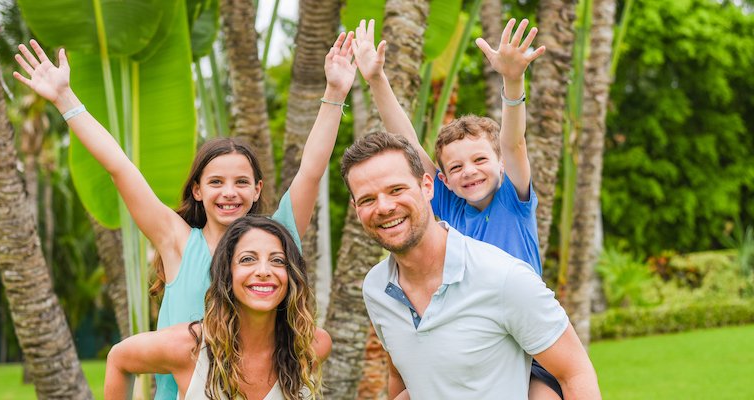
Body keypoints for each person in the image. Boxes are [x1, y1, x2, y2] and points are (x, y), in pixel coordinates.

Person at [13, 32, 356, 399]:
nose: (229, 192)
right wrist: (65, 98)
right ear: (197, 190)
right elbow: (120, 168)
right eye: (216, 182)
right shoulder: (177, 241)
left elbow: (311, 171)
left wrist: (335, 93)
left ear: (257, 190)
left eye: (241, 182)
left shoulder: (276, 239)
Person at [352, 18, 562, 398]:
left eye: (480, 159)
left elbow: (514, 142)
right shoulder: (445, 202)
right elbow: (405, 141)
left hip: (527, 346)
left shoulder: (511, 198)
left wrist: (513, 82)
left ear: (499, 164)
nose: (469, 172)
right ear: (441, 179)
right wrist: (376, 79)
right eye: (456, 167)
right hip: (466, 337)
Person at [340, 132, 601, 399]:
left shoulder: (503, 277)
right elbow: (402, 375)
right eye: (368, 199)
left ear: (427, 186)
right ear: (355, 207)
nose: (384, 207)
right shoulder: (376, 288)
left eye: (396, 190)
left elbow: (574, 373)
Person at [104, 216, 332, 400]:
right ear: (227, 274)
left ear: (290, 275)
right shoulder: (187, 346)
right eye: (247, 259)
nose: (264, 270)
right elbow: (119, 359)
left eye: (277, 261)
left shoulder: (311, 345)